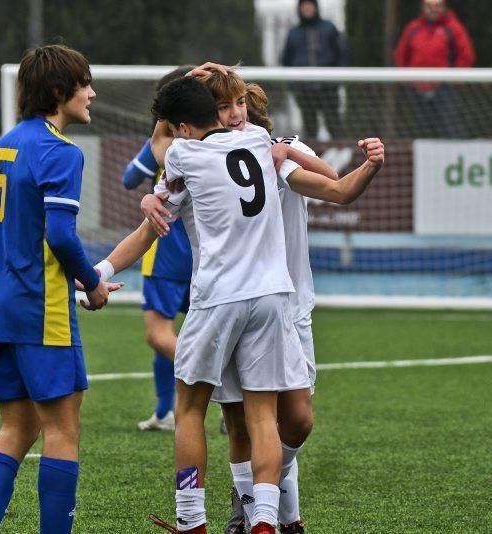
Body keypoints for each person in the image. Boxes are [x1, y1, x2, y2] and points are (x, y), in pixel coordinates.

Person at [142, 67, 384, 534]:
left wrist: (306, 154)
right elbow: (164, 150)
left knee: (296, 420)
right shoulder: (202, 152)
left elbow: (336, 185)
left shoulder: (269, 150)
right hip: (247, 301)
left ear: (252, 110)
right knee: (242, 422)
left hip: (287, 306)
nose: (232, 115)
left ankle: (248, 499)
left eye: (238, 105)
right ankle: (271, 517)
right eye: (220, 108)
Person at [95, 76, 305, 534]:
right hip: (271, 295)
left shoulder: (181, 155)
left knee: (189, 409)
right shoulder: (256, 138)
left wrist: (103, 268)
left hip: (217, 297)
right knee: (263, 417)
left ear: (182, 126)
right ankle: (266, 521)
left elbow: (156, 188)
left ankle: (191, 522)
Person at [0, 44, 119, 534]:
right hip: (38, 307)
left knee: (16, 427)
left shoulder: (3, 146)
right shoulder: (60, 151)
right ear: (60, 91)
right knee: (62, 429)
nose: (92, 93)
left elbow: (23, 230)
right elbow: (59, 234)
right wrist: (93, 282)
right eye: (85, 83)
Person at [121, 66, 194, 432]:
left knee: (159, 333)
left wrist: (149, 153)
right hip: (203, 254)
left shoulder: (169, 147)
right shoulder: (211, 141)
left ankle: (228, 391)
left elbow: (129, 178)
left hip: (163, 249)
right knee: (200, 331)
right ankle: (167, 411)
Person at [394, 0, 475, 138]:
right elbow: (401, 54)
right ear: (423, 8)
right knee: (424, 128)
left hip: (445, 87)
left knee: (451, 126)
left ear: (444, 7)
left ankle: (455, 156)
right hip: (418, 88)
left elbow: (466, 55)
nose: (433, 10)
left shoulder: (453, 28)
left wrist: (456, 77)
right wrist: (406, 76)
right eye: (429, 6)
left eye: (437, 6)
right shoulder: (413, 28)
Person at [280, 0, 348, 140]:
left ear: (315, 7)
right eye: (304, 5)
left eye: (309, 4)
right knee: (310, 127)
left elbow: (342, 54)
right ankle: (313, 158)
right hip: (304, 89)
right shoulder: (294, 33)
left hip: (328, 87)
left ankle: (344, 154)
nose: (307, 8)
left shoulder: (329, 28)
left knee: (333, 122)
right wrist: (293, 85)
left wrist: (338, 79)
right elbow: (286, 60)